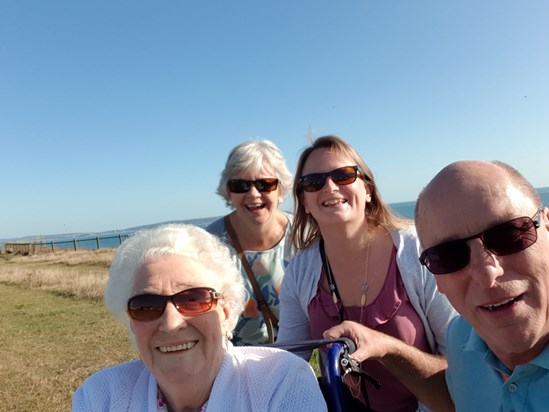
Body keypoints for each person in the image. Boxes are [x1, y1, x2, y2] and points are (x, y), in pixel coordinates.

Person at [325, 160, 549, 412]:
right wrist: (386, 348)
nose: (487, 273)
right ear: (435, 276)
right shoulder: (464, 336)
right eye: (449, 256)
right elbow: (458, 399)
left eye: (509, 235)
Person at [277, 135, 457, 411]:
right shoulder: (300, 270)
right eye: (314, 182)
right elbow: (287, 362)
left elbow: (460, 360)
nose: (330, 186)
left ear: (368, 189)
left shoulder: (416, 252)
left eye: (344, 176)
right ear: (304, 201)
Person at [72, 224, 327, 412]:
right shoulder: (101, 396)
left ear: (226, 312)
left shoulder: (281, 382)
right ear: (131, 322)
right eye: (147, 306)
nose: (170, 324)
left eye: (193, 299)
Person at [206, 140, 294, 345]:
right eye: (241, 185)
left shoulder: (305, 235)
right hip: (234, 365)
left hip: (293, 362)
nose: (253, 194)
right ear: (228, 191)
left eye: (265, 184)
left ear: (281, 189)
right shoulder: (210, 244)